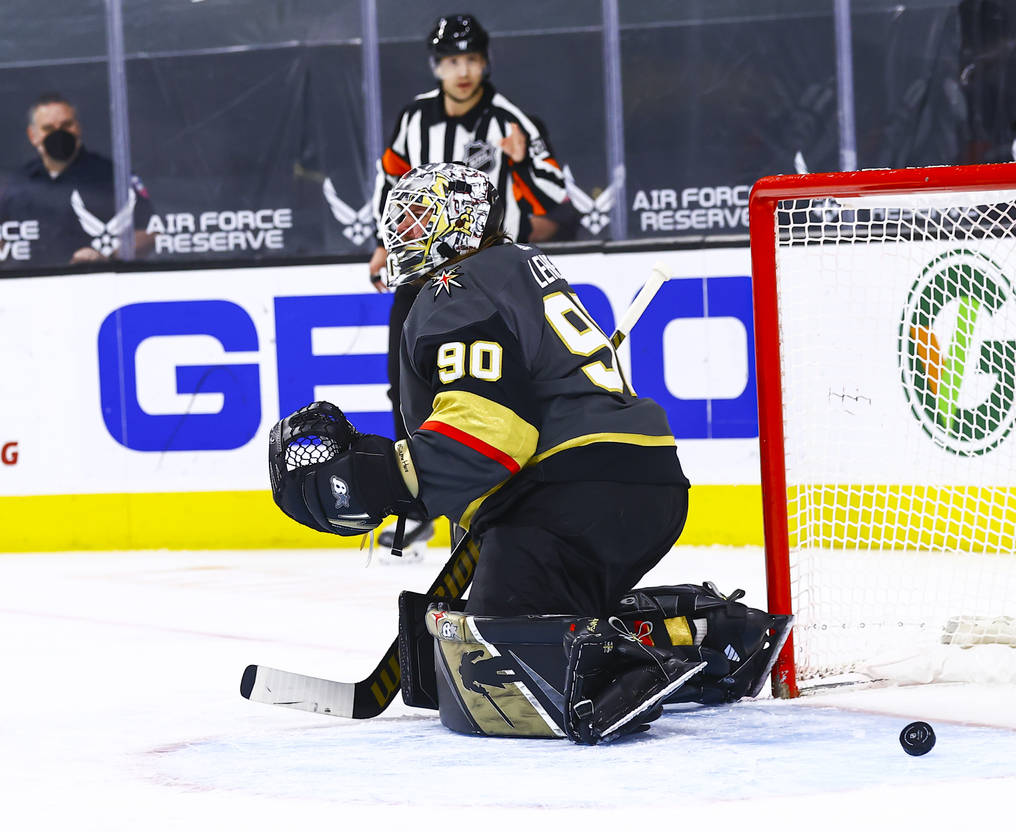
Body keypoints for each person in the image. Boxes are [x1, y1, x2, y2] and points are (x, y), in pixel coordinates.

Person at [267, 163, 791, 743]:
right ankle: (713, 634)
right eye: (400, 219)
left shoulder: (455, 290)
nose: (402, 233)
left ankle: (618, 673)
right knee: (508, 632)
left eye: (419, 218)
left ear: (460, 222)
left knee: (493, 657)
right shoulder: (513, 269)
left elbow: (493, 434)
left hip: (573, 498)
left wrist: (382, 477)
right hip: (637, 488)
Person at [367, 15, 576, 557]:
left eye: (472, 59)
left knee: (491, 386)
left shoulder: (509, 120)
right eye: (452, 61)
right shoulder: (415, 118)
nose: (463, 71)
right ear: (438, 67)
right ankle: (421, 504)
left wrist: (522, 158)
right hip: (420, 270)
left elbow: (559, 195)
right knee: (409, 384)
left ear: (485, 62)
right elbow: (391, 184)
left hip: (486, 275)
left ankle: (492, 499)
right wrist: (386, 243)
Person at [0, 92, 153, 267]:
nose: (58, 133)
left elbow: (150, 231)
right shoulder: (17, 183)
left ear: (78, 128)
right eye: (48, 128)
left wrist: (108, 256)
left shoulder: (111, 175)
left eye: (66, 125)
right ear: (32, 135)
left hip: (94, 282)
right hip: (28, 285)